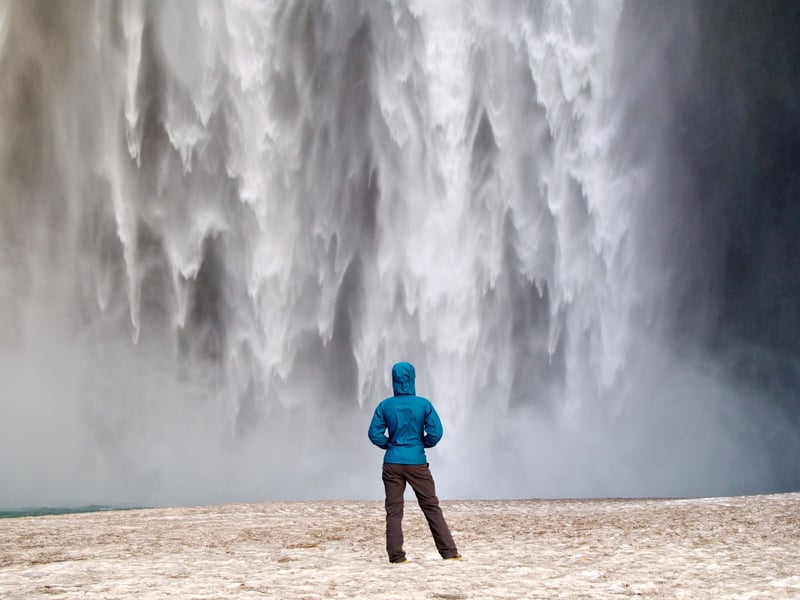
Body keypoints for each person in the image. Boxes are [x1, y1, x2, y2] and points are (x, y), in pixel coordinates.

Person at [367, 361, 461, 563]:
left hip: (392, 462)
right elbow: (436, 432)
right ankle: (449, 552)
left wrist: (390, 445)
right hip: (417, 462)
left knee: (394, 510)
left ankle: (396, 556)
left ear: (393, 380)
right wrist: (421, 444)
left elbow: (374, 434)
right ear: (412, 379)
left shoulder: (384, 405)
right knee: (431, 506)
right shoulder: (423, 404)